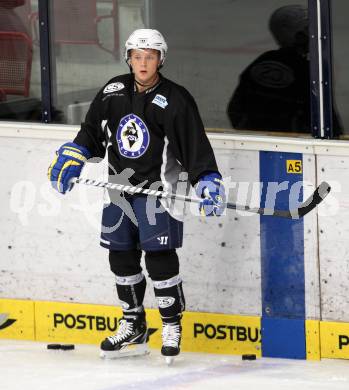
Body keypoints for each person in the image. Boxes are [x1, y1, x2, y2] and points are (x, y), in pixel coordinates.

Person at [48, 28, 226, 363]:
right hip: (118, 191)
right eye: (137, 57)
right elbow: (91, 133)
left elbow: (194, 147)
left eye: (150, 57)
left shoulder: (176, 99)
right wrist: (75, 154)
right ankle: (134, 324)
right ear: (129, 59)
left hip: (157, 194)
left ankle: (171, 325)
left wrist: (207, 179)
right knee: (121, 258)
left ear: (161, 59)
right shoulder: (112, 91)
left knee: (159, 261)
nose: (143, 63)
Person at [227, 5, 343, 136]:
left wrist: (252, 134)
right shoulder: (307, 70)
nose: (315, 37)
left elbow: (235, 109)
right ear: (298, 35)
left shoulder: (263, 62)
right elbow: (325, 117)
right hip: (293, 145)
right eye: (309, 31)